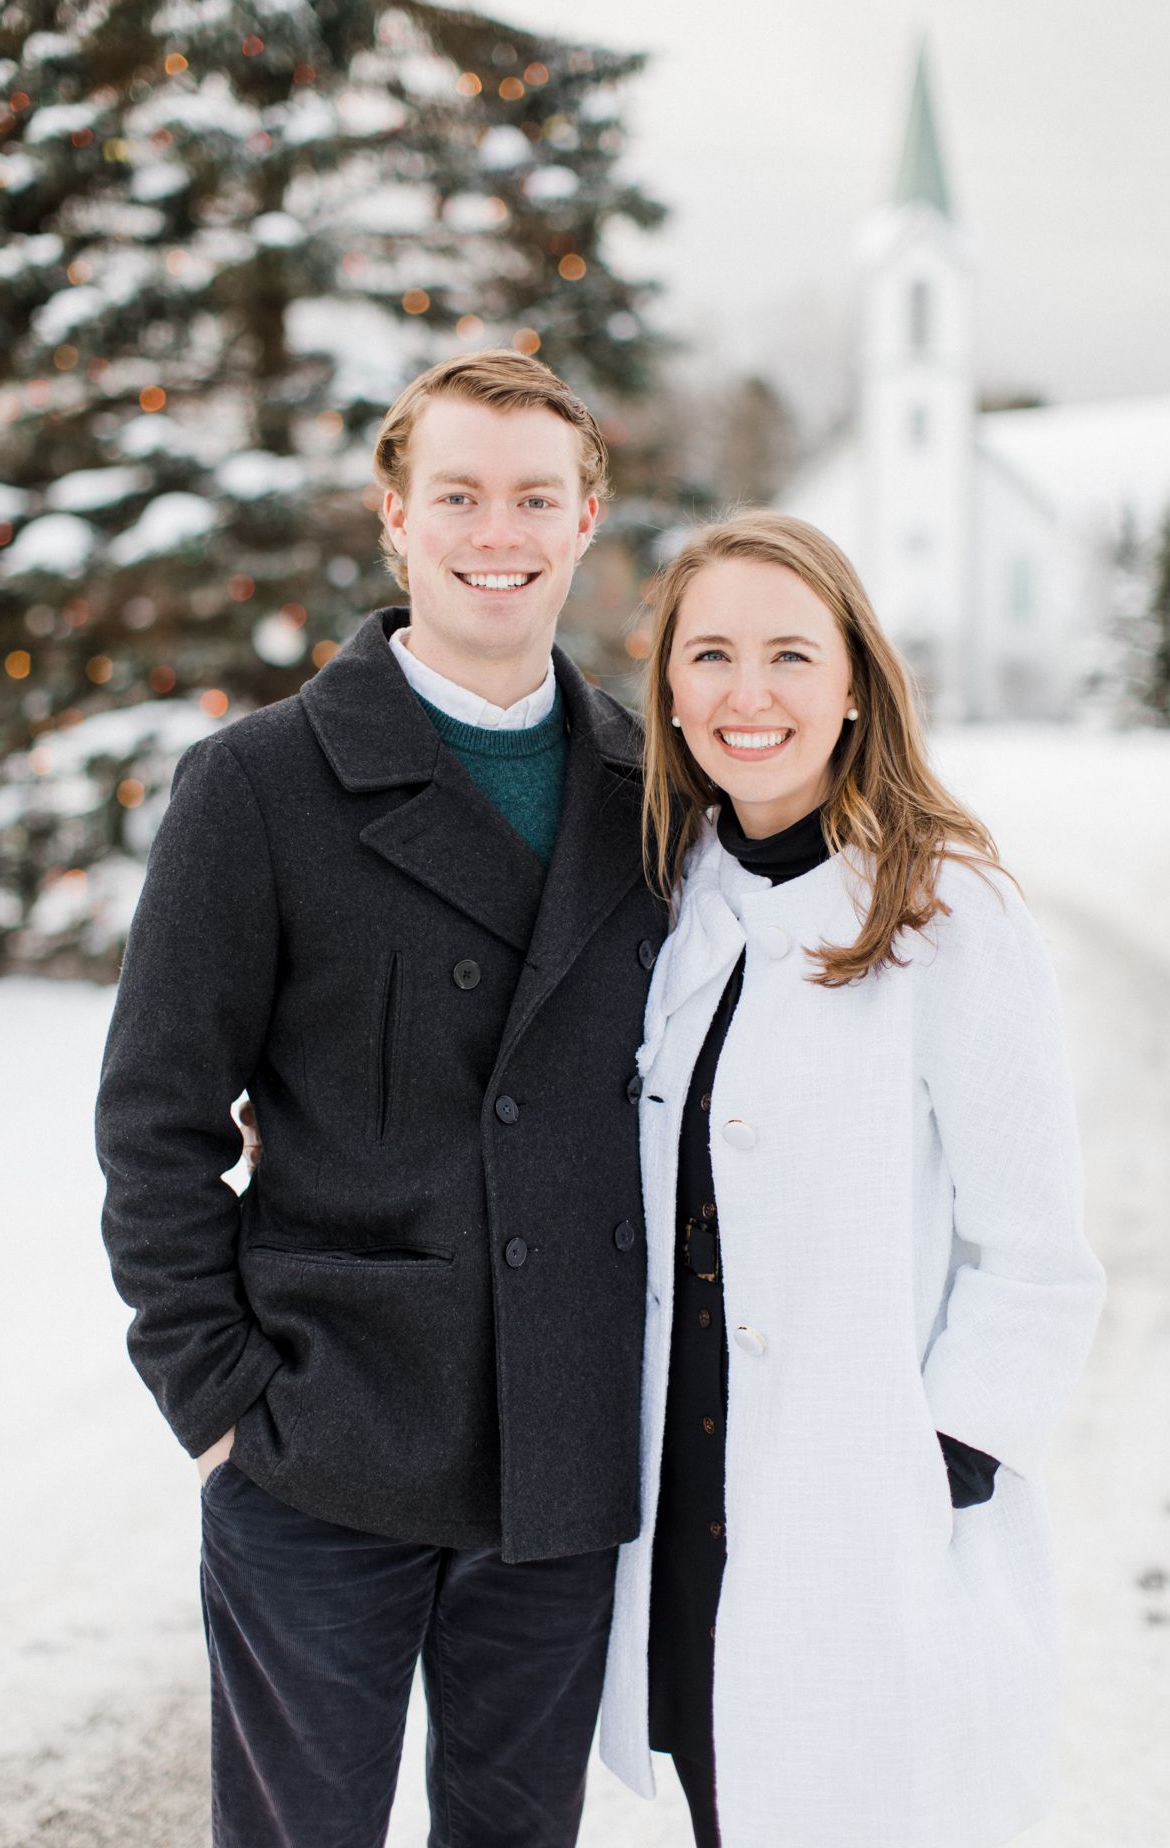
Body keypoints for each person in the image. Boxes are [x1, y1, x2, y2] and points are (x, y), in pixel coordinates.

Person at [96, 350, 666, 1848]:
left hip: (560, 1457)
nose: (500, 531)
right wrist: (219, 1399)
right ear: (393, 517)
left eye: (535, 496)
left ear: (588, 517)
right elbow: (154, 1124)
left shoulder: (652, 795)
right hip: (326, 1448)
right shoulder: (261, 786)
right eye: (461, 494)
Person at [600, 512, 1105, 1848]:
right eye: (708, 655)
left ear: (854, 685)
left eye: (787, 654)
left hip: (874, 1526)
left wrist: (940, 1459)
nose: (745, 693)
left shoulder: (949, 912)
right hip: (697, 1516)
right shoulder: (679, 896)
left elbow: (1036, 1256)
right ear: (667, 691)